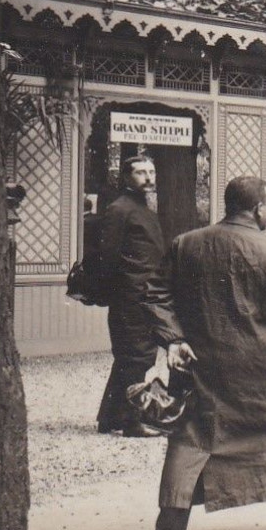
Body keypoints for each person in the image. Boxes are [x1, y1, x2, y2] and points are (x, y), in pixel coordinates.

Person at [140, 176, 266, 530]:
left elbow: (154, 293)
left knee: (191, 441)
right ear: (257, 210)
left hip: (200, 367)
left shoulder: (185, 244)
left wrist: (173, 339)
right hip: (262, 373)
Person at [95, 154, 168, 436]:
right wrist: (121, 290)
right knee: (136, 356)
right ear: (126, 178)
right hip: (130, 294)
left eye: (151, 171)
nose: (148, 177)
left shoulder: (142, 208)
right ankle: (131, 421)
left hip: (143, 292)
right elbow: (108, 256)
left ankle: (110, 417)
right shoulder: (120, 209)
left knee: (131, 355)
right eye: (140, 172)